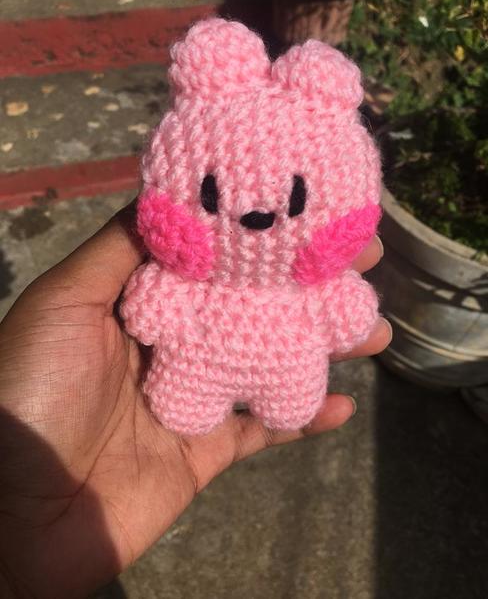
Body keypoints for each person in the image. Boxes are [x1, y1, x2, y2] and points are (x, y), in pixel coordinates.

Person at [0, 203, 391, 598]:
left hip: (283, 376)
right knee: (187, 399)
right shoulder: (185, 282)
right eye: (209, 196)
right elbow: (148, 311)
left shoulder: (310, 288)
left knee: (288, 402)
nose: (256, 213)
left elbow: (350, 315)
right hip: (191, 376)